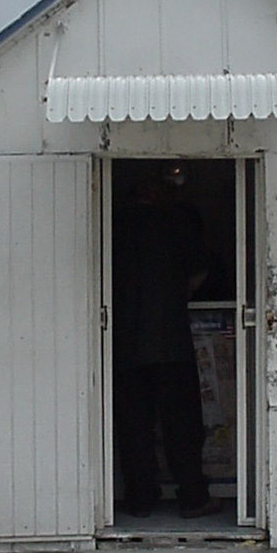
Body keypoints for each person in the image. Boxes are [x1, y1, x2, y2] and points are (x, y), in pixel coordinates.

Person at [112, 168, 222, 519]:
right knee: (181, 426)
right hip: (171, 341)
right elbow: (199, 273)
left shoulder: (110, 224)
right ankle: (192, 496)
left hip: (124, 343)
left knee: (134, 426)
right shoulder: (175, 221)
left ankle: (140, 497)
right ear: (158, 191)